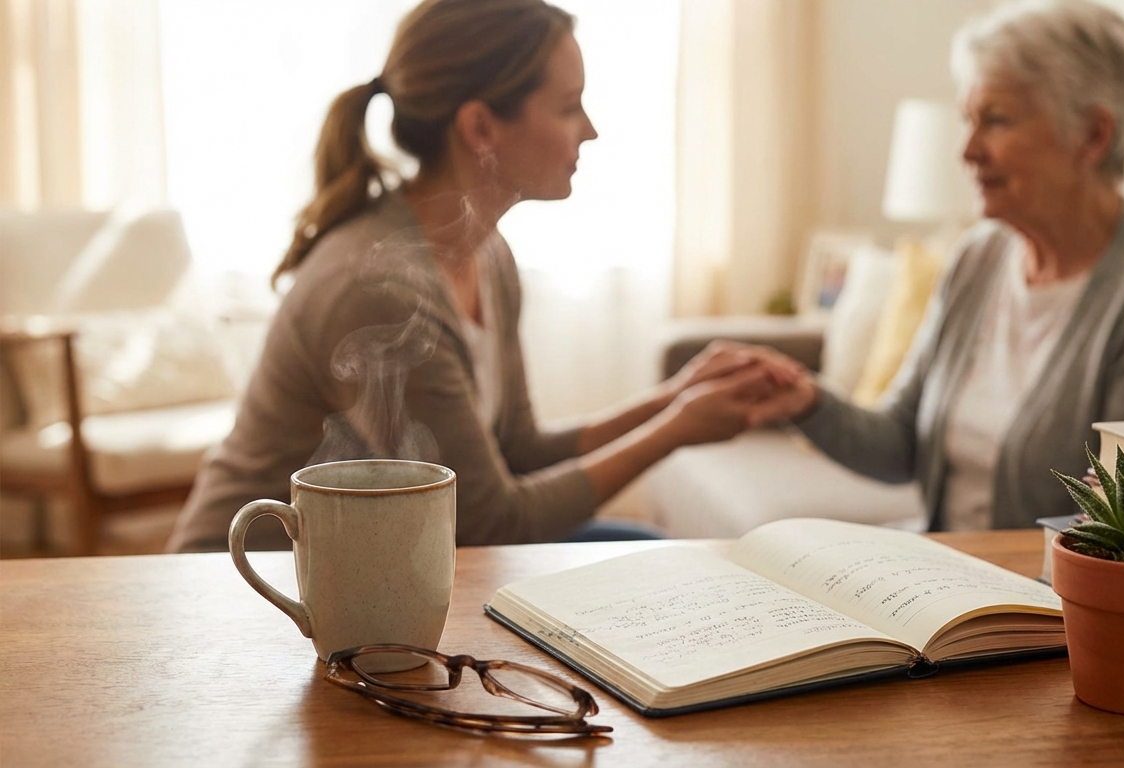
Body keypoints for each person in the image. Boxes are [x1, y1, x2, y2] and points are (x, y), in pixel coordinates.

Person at [168, 0, 775, 552]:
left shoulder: (489, 256)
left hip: (371, 566)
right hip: (248, 588)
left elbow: (516, 452)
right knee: (643, 555)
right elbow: (485, 524)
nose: (590, 130)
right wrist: (675, 430)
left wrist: (676, 398)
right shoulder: (379, 287)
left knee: (645, 550)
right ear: (481, 127)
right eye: (568, 106)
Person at [742, 0, 1124, 531]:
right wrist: (808, 401)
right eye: (968, 121)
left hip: (1037, 605)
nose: (967, 150)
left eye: (996, 121)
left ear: (1092, 136)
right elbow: (901, 443)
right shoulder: (979, 256)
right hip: (942, 573)